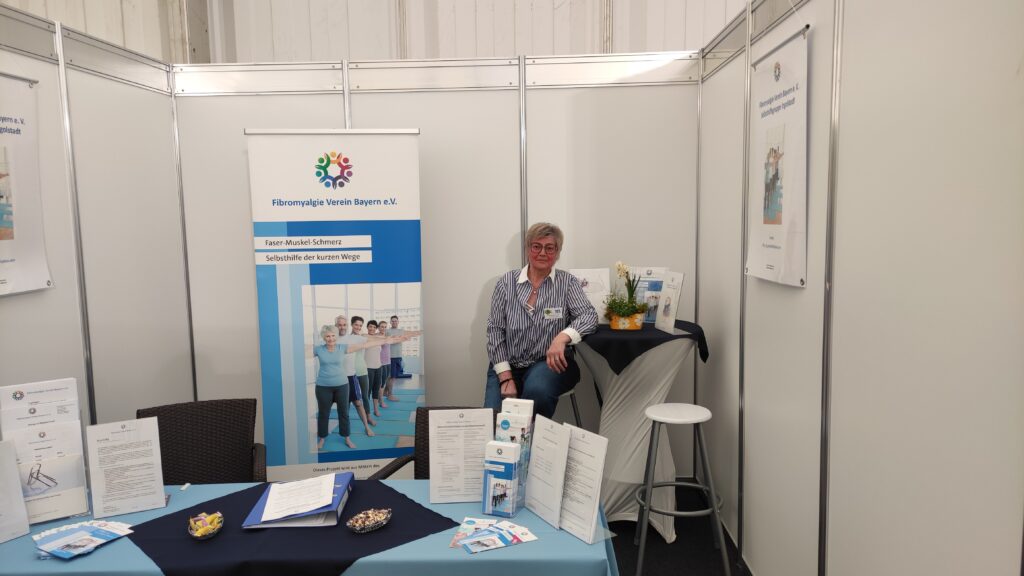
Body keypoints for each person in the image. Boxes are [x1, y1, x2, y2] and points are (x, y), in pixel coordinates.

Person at [484, 222, 598, 419]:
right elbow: (495, 330)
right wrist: (505, 377)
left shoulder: (567, 283)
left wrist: (562, 337)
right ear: (528, 249)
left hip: (551, 364)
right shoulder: (506, 283)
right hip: (508, 364)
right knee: (492, 418)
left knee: (537, 390)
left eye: (550, 248)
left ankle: (530, 439)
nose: (542, 253)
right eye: (536, 246)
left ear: (558, 252)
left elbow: (589, 316)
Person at [312, 324, 399, 451]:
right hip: (323, 386)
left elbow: (364, 345)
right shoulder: (318, 349)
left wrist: (385, 340)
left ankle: (347, 437)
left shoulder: (342, 347)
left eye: (333, 336)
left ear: (336, 336)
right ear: (324, 337)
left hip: (342, 385)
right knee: (323, 413)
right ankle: (322, 438)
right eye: (328, 336)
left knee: (344, 413)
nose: (331, 339)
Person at [333, 315, 400, 448]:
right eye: (356, 325)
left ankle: (368, 419)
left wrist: (388, 339)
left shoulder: (360, 337)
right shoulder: (343, 338)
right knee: (346, 406)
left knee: (363, 398)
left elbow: (373, 340)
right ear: (351, 325)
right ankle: (346, 433)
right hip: (347, 374)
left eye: (360, 325)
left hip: (361, 370)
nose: (358, 327)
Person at [385, 315, 422, 400]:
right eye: (392, 321)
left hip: (398, 356)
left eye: (395, 321)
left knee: (393, 376)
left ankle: (386, 392)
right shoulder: (387, 331)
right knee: (391, 377)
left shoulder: (401, 331)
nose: (394, 322)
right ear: (390, 322)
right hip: (391, 357)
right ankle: (390, 395)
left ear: (398, 322)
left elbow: (412, 333)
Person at [364, 320, 386, 418]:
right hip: (368, 368)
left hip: (378, 367)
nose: (372, 328)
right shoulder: (364, 338)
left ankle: (376, 409)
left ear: (376, 328)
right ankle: (367, 412)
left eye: (374, 327)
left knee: (376, 389)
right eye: (370, 326)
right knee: (367, 391)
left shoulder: (379, 339)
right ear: (367, 327)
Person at [377, 319, 392, 408]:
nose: (383, 328)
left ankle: (380, 398)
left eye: (385, 327)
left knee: (385, 380)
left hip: (388, 362)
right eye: (382, 327)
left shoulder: (387, 336)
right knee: (382, 383)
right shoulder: (376, 337)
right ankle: (381, 401)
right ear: (378, 327)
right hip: (381, 363)